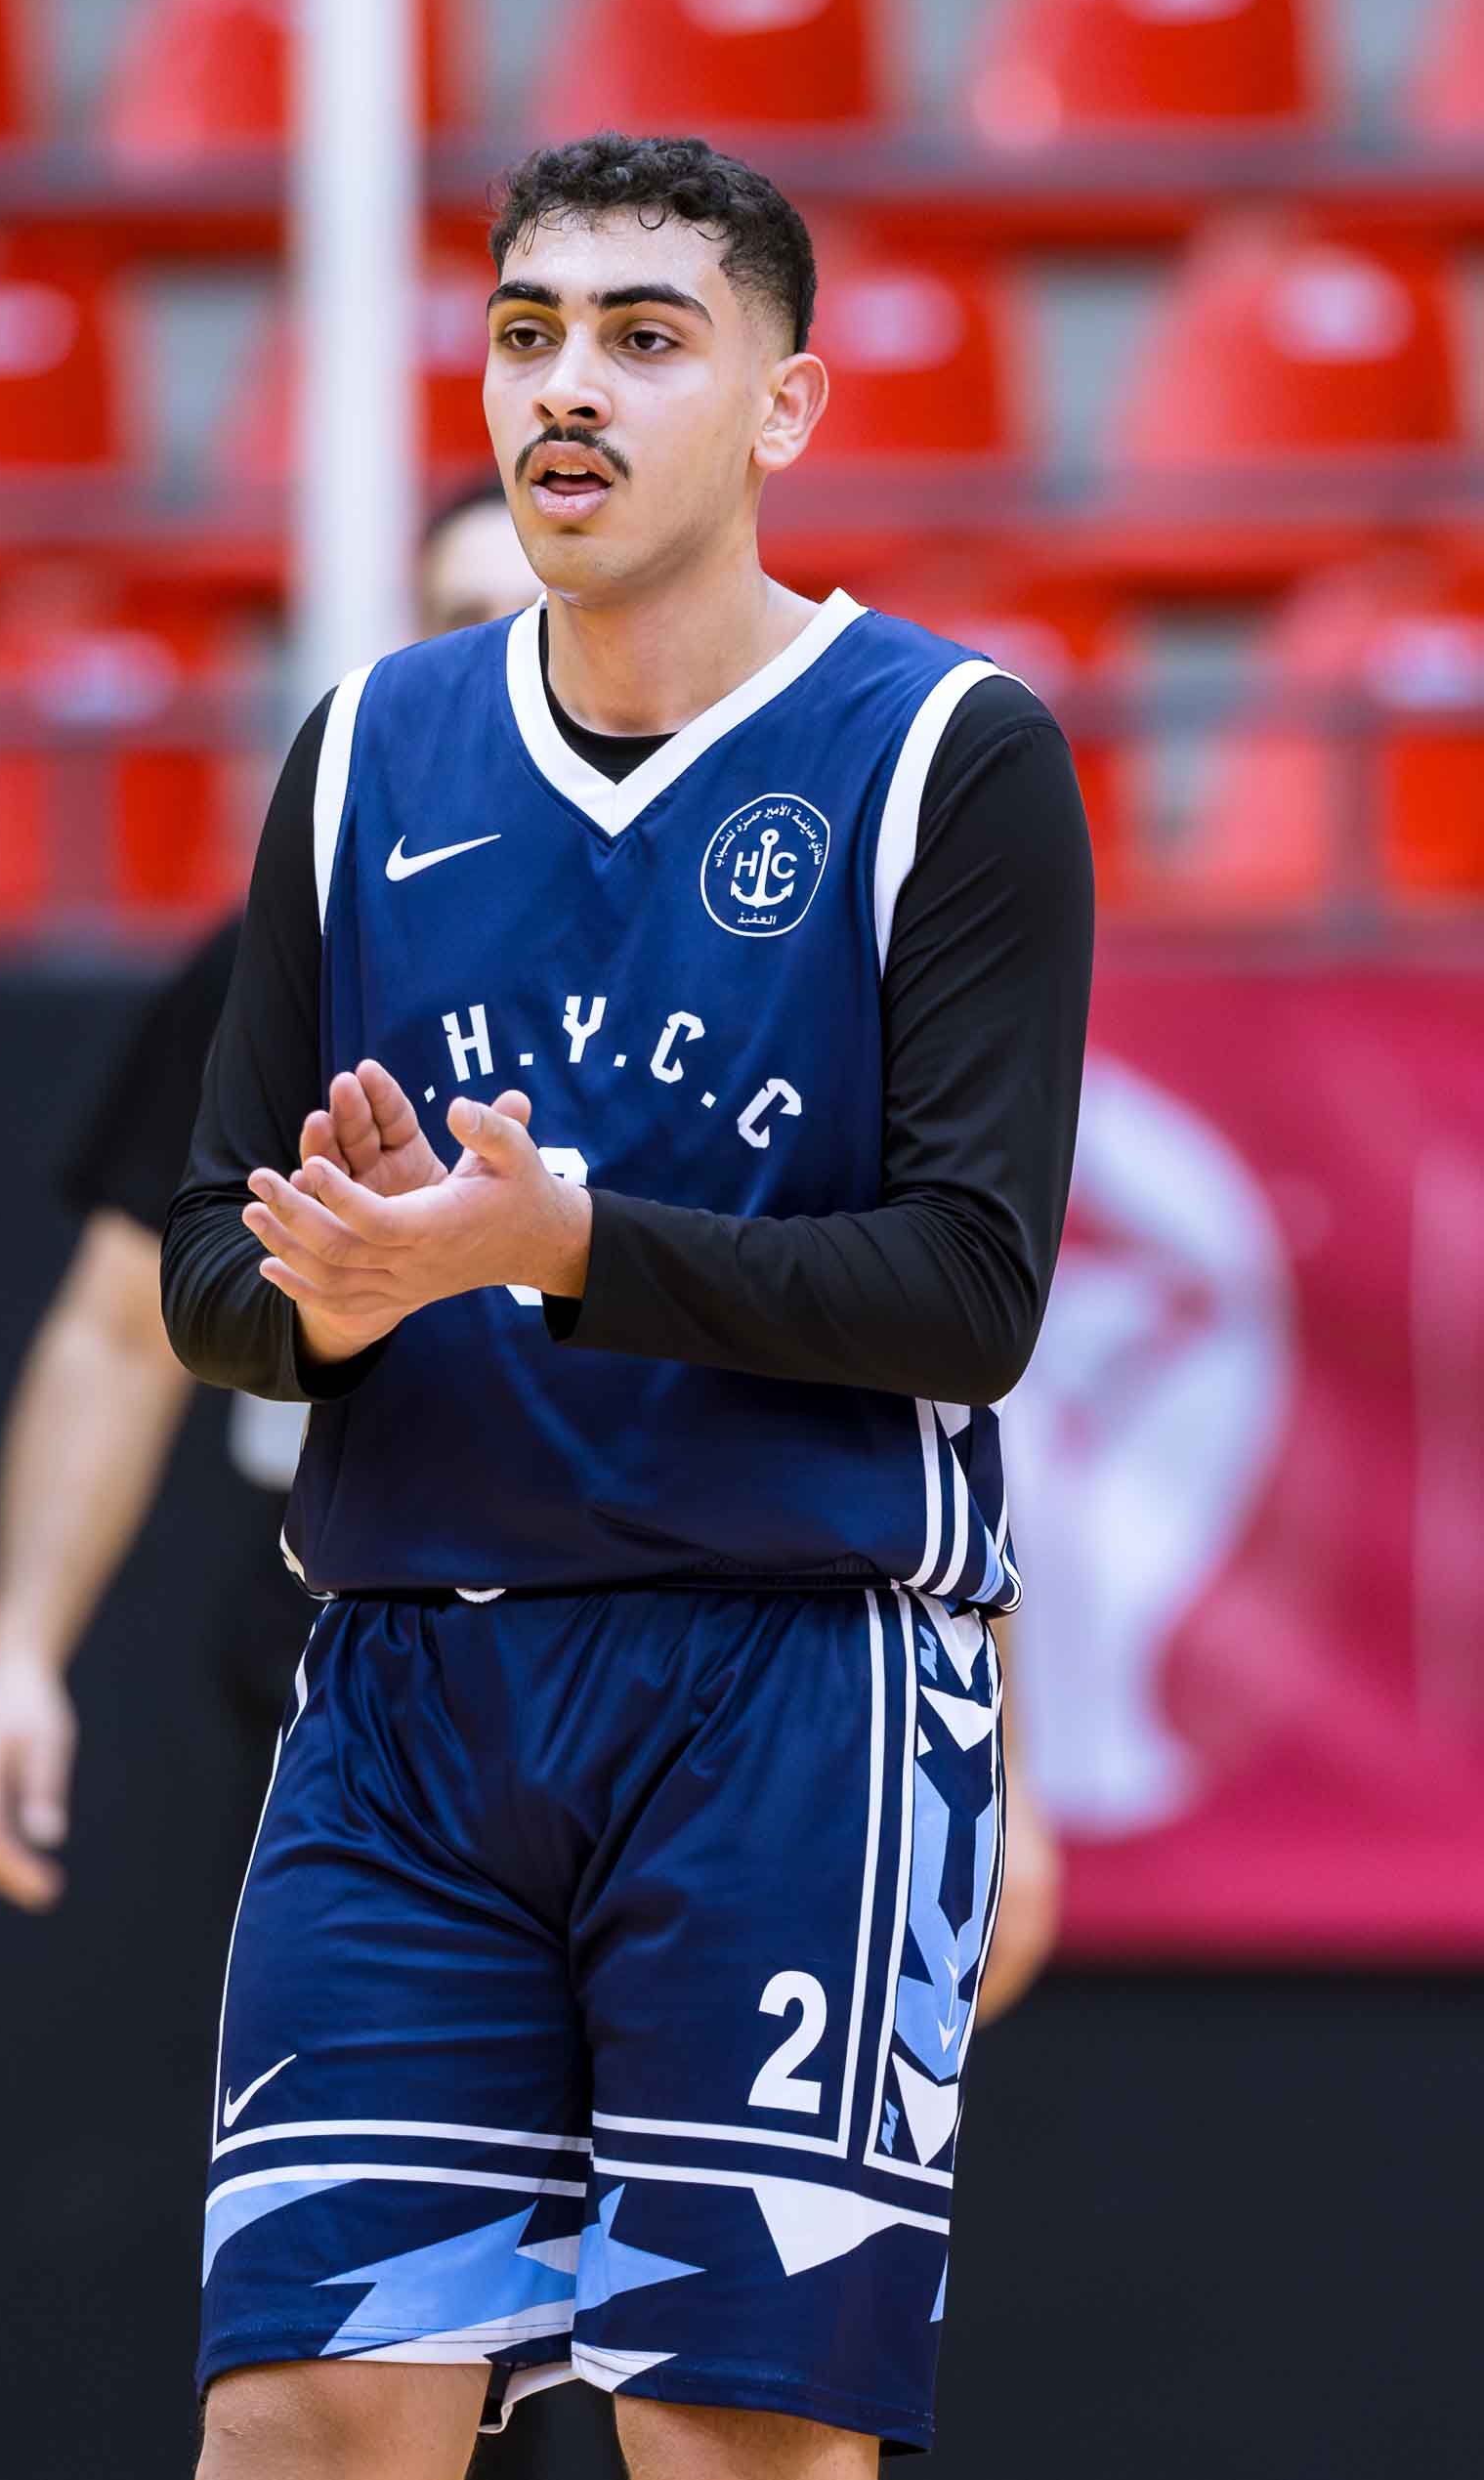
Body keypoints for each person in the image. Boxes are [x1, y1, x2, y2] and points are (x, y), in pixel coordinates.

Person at [162, 133, 1094, 2475]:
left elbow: (970, 1293)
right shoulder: (367, 751)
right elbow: (206, 1273)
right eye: (528, 333)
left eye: (645, 339)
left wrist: (552, 1243)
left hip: (788, 1680)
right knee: (305, 2417)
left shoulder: (947, 754)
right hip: (411, 1684)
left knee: (730, 2439)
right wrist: (339, 1289)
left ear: (785, 406)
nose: (566, 386)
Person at [0, 485, 541, 1913]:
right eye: (461, 622)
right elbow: (117, 1332)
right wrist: (17, 1652)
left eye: (541, 618)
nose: (502, 658)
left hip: (686, 1652)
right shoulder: (297, 944)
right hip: (358, 1649)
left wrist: (989, 1756)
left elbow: (912, 1366)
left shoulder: (757, 931)